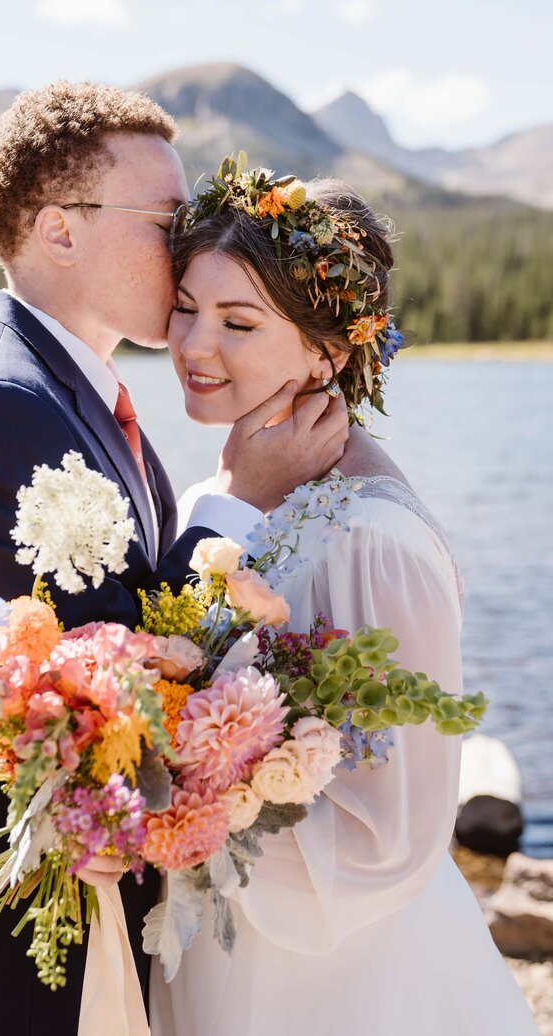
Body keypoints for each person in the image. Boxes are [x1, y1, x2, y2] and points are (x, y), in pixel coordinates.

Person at [0, 87, 348, 1036]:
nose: (188, 244)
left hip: (49, 906)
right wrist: (239, 490)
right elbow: (111, 664)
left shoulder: (72, 397)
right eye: (166, 220)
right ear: (58, 231)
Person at [151, 165, 539, 1034]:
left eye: (238, 322)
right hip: (217, 948)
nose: (193, 344)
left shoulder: (376, 541)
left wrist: (173, 821)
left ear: (330, 353)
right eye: (185, 307)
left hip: (320, 984)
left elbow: (387, 838)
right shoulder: (218, 495)